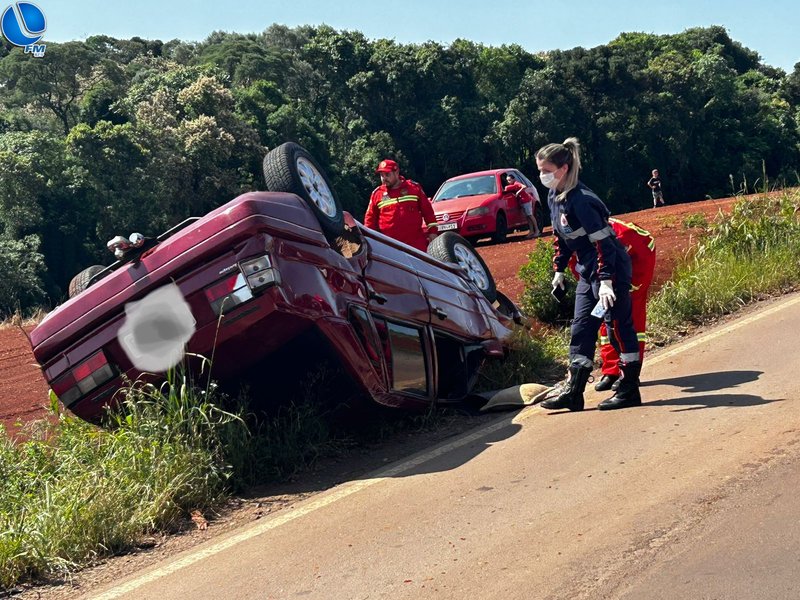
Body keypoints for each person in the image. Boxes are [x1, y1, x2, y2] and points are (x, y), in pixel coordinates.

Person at [536, 137, 643, 411]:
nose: (542, 176)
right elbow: (561, 236)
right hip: (587, 270)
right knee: (582, 327)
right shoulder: (554, 196)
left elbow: (604, 242)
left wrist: (606, 281)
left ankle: (630, 388)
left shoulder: (582, 200)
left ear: (564, 168)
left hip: (609, 268)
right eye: (540, 170)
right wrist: (559, 269)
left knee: (617, 327)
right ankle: (574, 392)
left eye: (547, 170)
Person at [592, 218, 656, 392]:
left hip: (638, 263)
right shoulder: (573, 235)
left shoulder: (623, 235)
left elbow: (642, 255)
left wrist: (631, 286)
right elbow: (579, 266)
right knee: (606, 317)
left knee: (630, 318)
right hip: (607, 270)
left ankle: (630, 373)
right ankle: (611, 371)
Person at [364, 159, 438, 252]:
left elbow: (428, 212)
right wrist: (369, 240)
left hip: (416, 244)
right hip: (390, 247)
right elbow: (369, 221)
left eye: (387, 174)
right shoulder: (377, 194)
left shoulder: (414, 188)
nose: (384, 178)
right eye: (381, 175)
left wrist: (433, 232)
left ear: (397, 172)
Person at [503, 173, 540, 239]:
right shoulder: (513, 185)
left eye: (509, 180)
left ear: (513, 179)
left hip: (526, 200)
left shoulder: (517, 183)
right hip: (523, 201)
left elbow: (524, 186)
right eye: (507, 180)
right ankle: (531, 231)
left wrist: (518, 192)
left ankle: (537, 230)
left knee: (530, 215)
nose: (508, 182)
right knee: (528, 217)